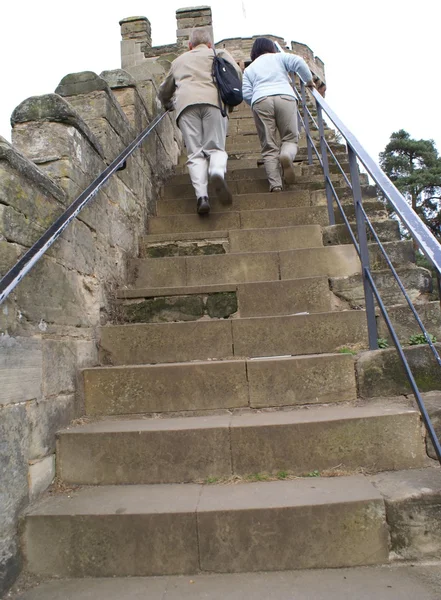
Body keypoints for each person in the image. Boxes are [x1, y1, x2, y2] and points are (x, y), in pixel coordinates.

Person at [158, 28, 242, 215]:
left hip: (186, 107)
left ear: (189, 46)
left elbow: (164, 90)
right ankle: (217, 172)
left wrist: (167, 104)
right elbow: (236, 74)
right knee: (215, 148)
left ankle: (202, 197)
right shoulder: (218, 53)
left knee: (195, 154)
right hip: (214, 103)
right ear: (209, 44)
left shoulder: (179, 61)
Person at [242, 37, 316, 192]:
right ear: (272, 48)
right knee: (290, 138)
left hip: (261, 99)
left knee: (268, 146)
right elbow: (299, 62)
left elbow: (246, 93)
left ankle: (275, 184)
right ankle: (286, 156)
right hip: (285, 96)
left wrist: (256, 102)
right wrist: (308, 80)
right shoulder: (279, 57)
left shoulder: (249, 69)